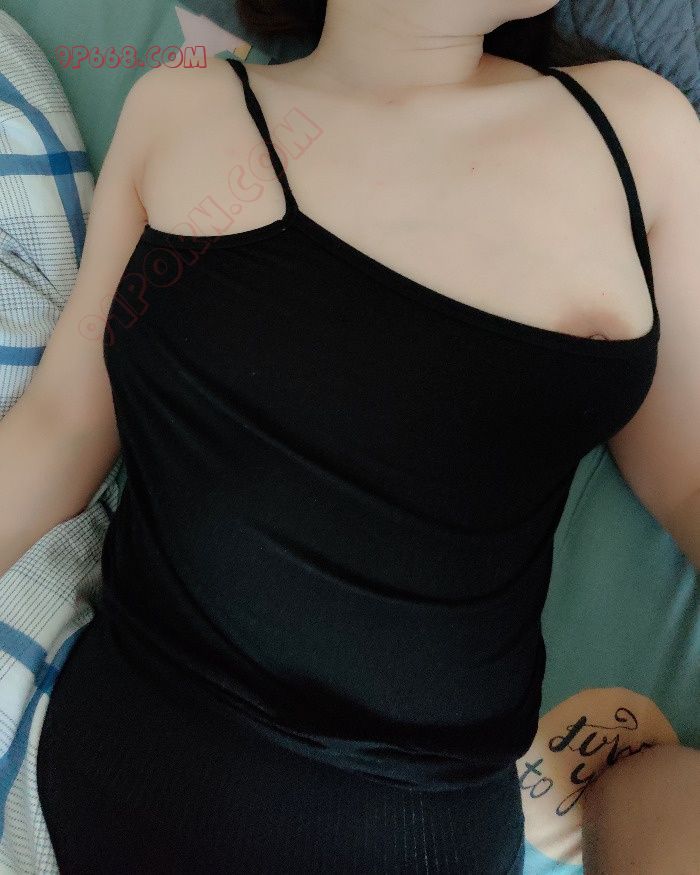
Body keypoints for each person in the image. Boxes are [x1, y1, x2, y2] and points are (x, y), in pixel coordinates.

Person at [1, 0, 698, 872]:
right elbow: (63, 429)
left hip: (426, 825)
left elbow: (688, 479)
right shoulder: (189, 110)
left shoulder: (638, 137)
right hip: (132, 775)